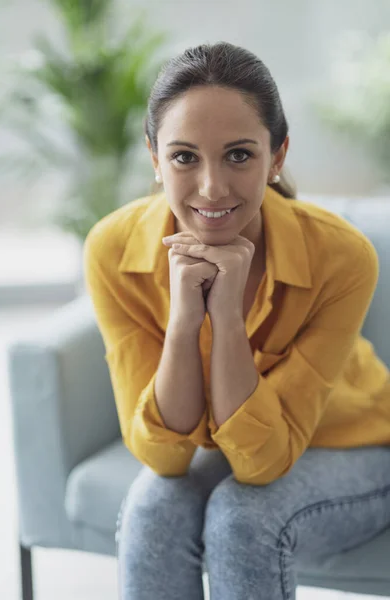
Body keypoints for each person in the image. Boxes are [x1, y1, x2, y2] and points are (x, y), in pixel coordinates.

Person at [83, 41, 390, 600]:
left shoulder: (343, 256)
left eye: (240, 155)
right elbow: (163, 456)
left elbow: (262, 466)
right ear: (154, 158)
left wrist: (226, 318)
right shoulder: (113, 248)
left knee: (243, 518)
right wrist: (184, 321)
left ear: (278, 156)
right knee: (153, 507)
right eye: (184, 157)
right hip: (228, 446)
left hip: (357, 445)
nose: (212, 188)